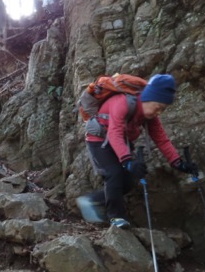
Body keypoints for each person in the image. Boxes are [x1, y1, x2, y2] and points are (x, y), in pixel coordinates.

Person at [76, 73, 196, 229]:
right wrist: (127, 161)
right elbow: (114, 133)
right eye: (158, 107)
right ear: (149, 98)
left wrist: (178, 163)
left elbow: (162, 140)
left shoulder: (150, 116)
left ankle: (90, 201)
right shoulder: (122, 102)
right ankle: (116, 217)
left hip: (119, 143)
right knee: (114, 173)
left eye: (162, 110)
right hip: (98, 140)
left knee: (127, 182)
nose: (158, 112)